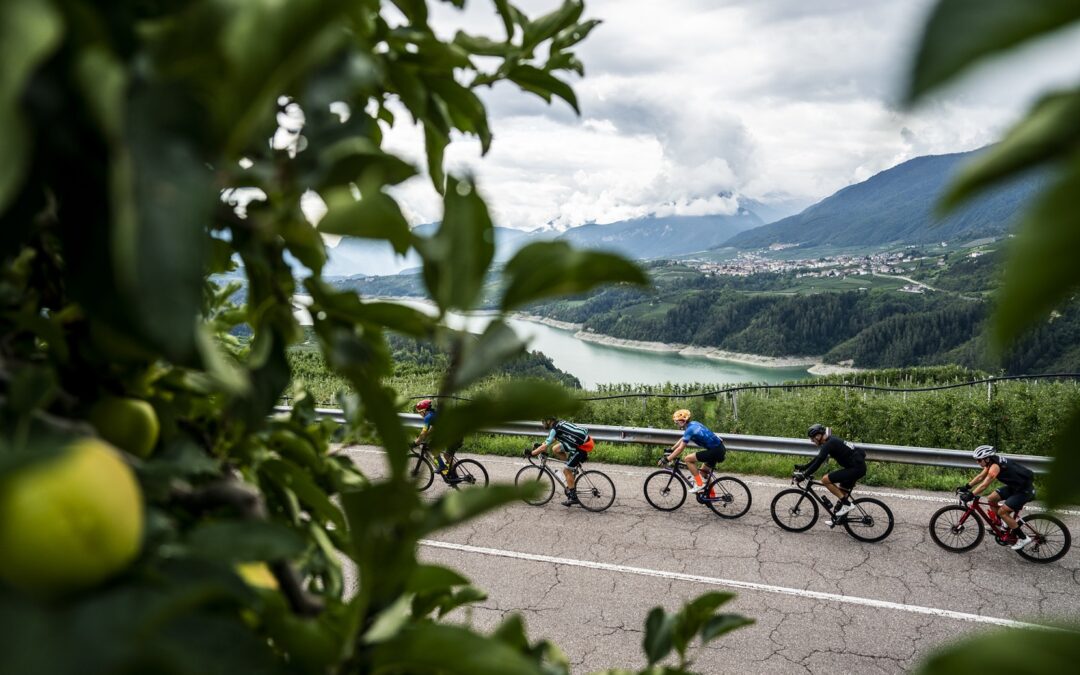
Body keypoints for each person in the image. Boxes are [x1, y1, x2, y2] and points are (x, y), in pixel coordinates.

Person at [961, 445, 1036, 550]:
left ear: (987, 459)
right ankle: (1003, 525)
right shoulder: (992, 462)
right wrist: (966, 486)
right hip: (1015, 487)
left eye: (979, 460)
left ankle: (1023, 538)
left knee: (1002, 512)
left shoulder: (994, 467)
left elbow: (984, 484)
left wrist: (971, 494)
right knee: (992, 498)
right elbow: (980, 477)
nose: (977, 462)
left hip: (1024, 491)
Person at [796, 424, 866, 526]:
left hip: (855, 469)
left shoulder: (830, 443)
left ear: (818, 436)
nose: (812, 441)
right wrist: (804, 467)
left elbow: (819, 461)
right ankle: (838, 519)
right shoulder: (830, 441)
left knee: (825, 480)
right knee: (841, 493)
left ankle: (847, 505)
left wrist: (804, 475)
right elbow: (818, 458)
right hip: (856, 468)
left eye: (812, 438)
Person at [528, 417, 595, 506]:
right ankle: (571, 465)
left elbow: (545, 447)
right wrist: (541, 444)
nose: (542, 423)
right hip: (582, 443)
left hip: (581, 448)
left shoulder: (554, 429)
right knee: (555, 448)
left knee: (566, 470)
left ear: (549, 421)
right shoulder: (559, 424)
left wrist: (532, 453)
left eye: (543, 421)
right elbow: (551, 440)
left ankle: (573, 497)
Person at [661, 409, 726, 496]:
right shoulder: (693, 424)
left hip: (715, 451)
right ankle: (712, 496)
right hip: (719, 448)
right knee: (704, 473)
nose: (676, 423)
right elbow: (683, 438)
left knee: (688, 459)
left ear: (683, 421)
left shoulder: (690, 430)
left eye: (677, 422)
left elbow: (680, 449)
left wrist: (667, 459)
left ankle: (699, 484)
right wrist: (672, 449)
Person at [412, 399, 462, 480]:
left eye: (420, 412)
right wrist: (424, 436)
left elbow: (424, 431)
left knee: (444, 454)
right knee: (443, 453)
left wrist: (415, 443)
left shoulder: (428, 417)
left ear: (424, 410)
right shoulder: (434, 414)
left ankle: (446, 469)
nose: (420, 414)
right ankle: (451, 474)